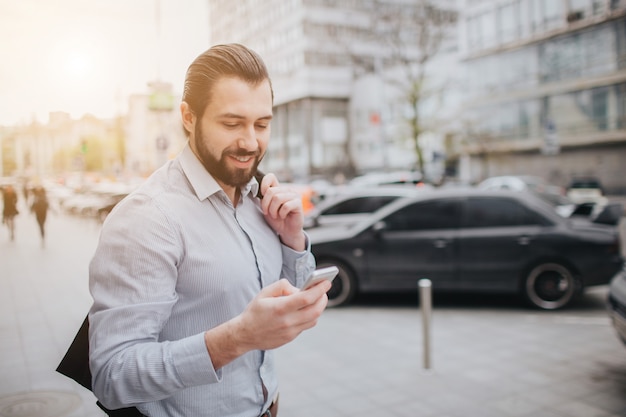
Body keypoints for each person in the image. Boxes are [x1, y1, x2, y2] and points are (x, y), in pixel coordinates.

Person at [88, 43, 330, 417]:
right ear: (188, 116)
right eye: (232, 124)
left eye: (262, 124)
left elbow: (277, 296)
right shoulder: (147, 218)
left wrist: (292, 240)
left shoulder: (258, 196)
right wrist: (236, 339)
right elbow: (112, 374)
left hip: (268, 406)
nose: (250, 142)